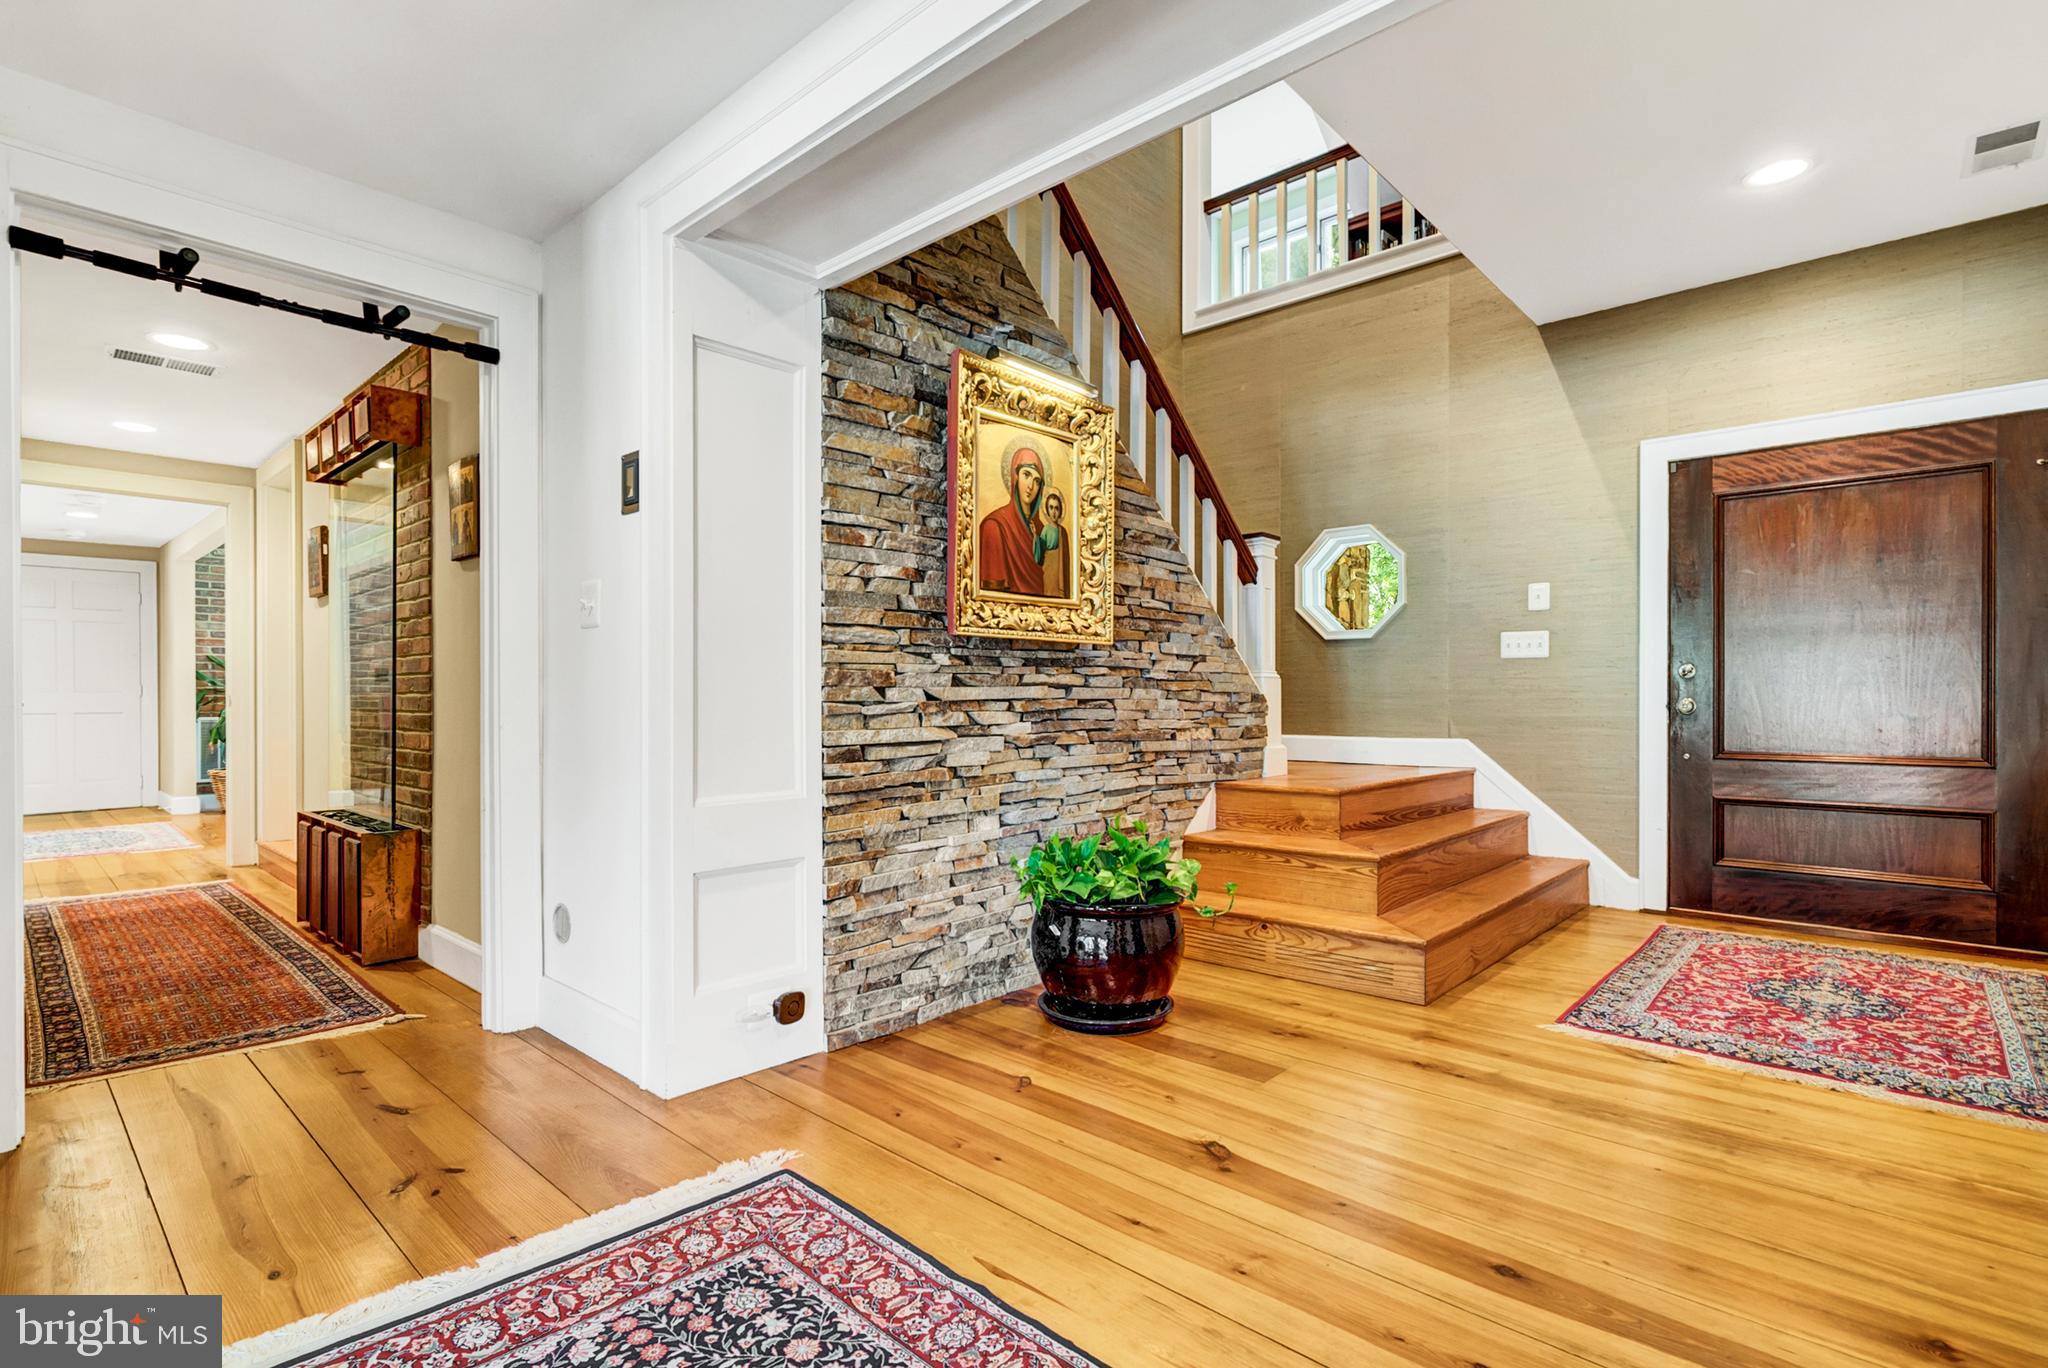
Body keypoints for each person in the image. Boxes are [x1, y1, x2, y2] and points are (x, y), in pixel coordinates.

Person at [978, 440, 1048, 595]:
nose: (1031, 486)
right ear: (1015, 477)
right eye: (1026, 475)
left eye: (1037, 481)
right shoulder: (995, 525)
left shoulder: (1042, 529)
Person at [1035, 489, 1068, 598]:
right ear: (1047, 510)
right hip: (1048, 567)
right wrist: (1036, 538)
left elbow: (1066, 556)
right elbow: (1041, 550)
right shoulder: (1046, 529)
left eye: (1056, 508)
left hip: (1059, 568)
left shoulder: (1062, 531)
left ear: (1060, 511)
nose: (1054, 512)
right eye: (1051, 507)